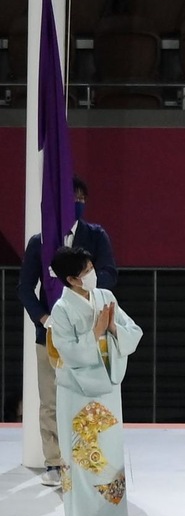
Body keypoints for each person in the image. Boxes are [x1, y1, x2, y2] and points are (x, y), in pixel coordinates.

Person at [17, 176, 117, 487]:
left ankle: (88, 460)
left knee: (89, 398)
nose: (78, 202)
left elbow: (110, 273)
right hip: (49, 335)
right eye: (72, 197)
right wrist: (43, 318)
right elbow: (23, 287)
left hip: (92, 330)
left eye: (82, 197)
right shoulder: (40, 241)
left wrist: (94, 304)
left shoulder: (95, 236)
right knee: (50, 399)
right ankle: (53, 461)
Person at [47, 246, 142, 516]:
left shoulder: (106, 298)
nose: (92, 274)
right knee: (77, 455)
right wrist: (95, 333)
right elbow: (68, 352)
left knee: (108, 455)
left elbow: (133, 331)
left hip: (107, 387)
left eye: (91, 268)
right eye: (86, 271)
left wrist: (112, 328)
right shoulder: (61, 310)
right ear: (72, 279)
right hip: (76, 391)